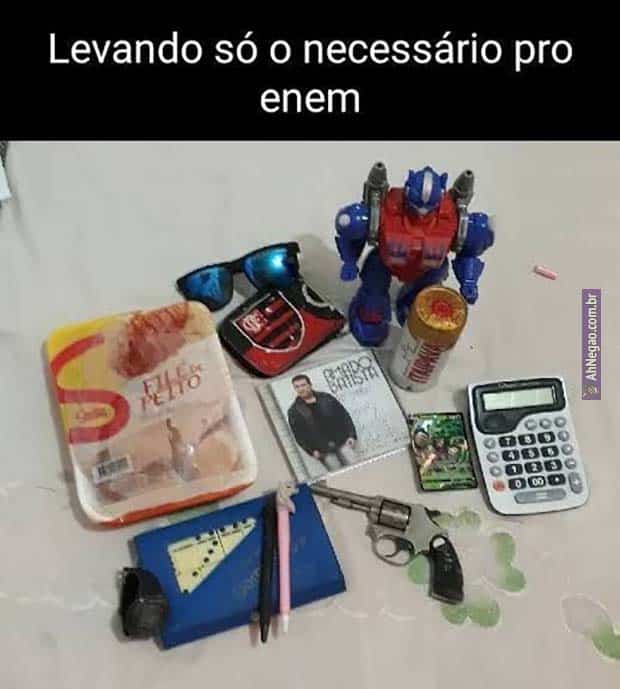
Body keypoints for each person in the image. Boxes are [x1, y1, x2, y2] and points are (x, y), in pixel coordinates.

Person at [287, 374, 357, 472]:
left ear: (310, 385)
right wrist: (311, 451)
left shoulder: (326, 398)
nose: (301, 389)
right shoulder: (294, 411)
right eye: (297, 387)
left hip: (342, 441)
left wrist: (351, 435)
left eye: (303, 385)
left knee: (356, 468)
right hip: (323, 450)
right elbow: (299, 435)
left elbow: (344, 416)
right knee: (338, 475)